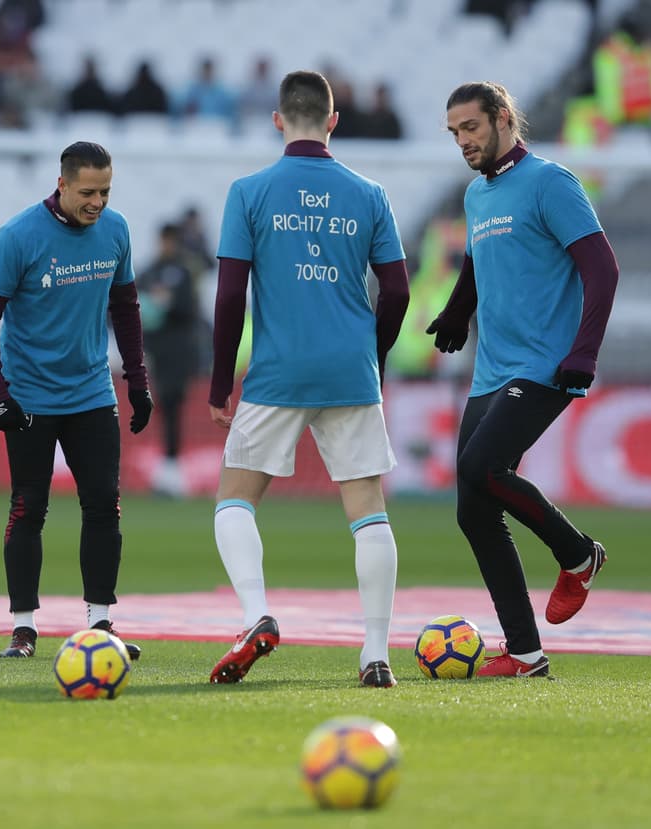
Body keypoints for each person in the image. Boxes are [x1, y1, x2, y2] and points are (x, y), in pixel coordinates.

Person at [207, 70, 410, 687]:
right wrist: (371, 358)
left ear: (277, 120)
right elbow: (397, 291)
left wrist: (220, 383)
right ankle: (375, 654)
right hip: (350, 368)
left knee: (236, 500)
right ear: (332, 121)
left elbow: (229, 297)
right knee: (367, 511)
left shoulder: (249, 191)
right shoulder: (369, 193)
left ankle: (254, 616)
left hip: (277, 372)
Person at [429, 81, 619, 678]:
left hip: (547, 363)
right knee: (473, 510)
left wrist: (583, 353)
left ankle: (578, 553)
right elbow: (476, 263)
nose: (463, 141)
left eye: (472, 128)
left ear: (503, 118)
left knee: (481, 467)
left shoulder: (550, 182)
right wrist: (460, 309)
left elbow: (602, 269)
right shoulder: (477, 195)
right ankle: (527, 654)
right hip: (492, 368)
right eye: (455, 132)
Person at [0, 141, 153, 660]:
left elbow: (126, 306)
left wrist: (137, 380)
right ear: (63, 184)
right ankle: (24, 629)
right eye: (89, 192)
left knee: (103, 507)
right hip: (30, 398)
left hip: (92, 393)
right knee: (29, 508)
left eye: (106, 191)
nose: (98, 202)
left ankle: (100, 624)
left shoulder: (115, 231)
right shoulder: (18, 236)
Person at [138, 223, 200, 497]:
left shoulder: (183, 272)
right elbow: (131, 304)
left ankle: (172, 470)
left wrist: (166, 304)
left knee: (173, 404)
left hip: (178, 349)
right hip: (154, 350)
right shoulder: (149, 271)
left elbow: (188, 309)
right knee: (162, 405)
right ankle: (167, 469)